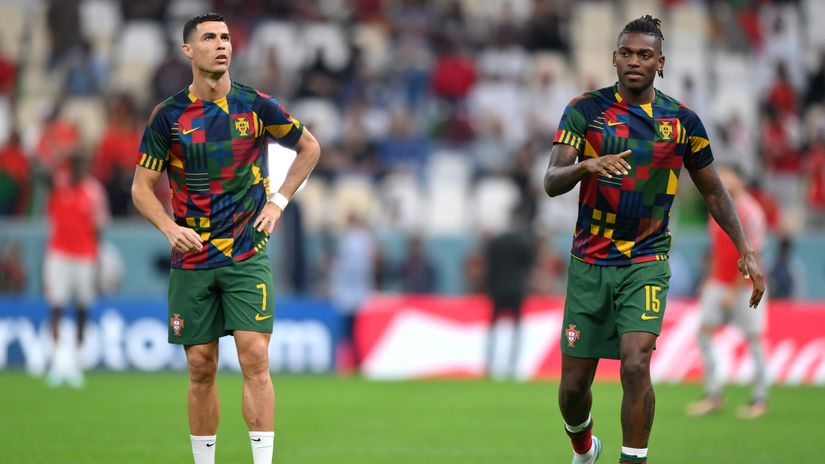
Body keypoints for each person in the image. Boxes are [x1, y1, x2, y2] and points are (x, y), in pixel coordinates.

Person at [543, 16, 764, 464]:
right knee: (572, 390)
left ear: (660, 63)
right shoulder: (584, 110)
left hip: (646, 260)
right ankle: (584, 446)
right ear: (614, 58)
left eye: (645, 55)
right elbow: (551, 180)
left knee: (636, 362)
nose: (634, 61)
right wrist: (585, 166)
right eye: (626, 53)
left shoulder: (683, 122)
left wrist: (745, 248)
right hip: (589, 262)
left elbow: (714, 191)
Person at [131, 13, 320, 464]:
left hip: (245, 252)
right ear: (188, 50)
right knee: (200, 365)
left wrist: (278, 202)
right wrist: (169, 228)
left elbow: (310, 147)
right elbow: (141, 188)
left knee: (255, 356)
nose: (221, 44)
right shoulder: (168, 116)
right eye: (209, 38)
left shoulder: (256, 106)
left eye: (226, 37)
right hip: (193, 257)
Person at [686, 164, 769, 419]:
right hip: (718, 284)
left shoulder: (751, 210)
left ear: (739, 178)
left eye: (726, 174)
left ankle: (760, 399)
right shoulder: (717, 208)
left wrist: (736, 289)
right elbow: (716, 251)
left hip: (744, 287)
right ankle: (713, 395)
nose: (721, 178)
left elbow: (755, 254)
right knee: (704, 335)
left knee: (754, 339)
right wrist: (709, 281)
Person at [44, 153, 109, 388]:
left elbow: (100, 226)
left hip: (85, 256)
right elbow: (43, 176)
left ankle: (77, 361)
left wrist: (96, 258)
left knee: (82, 307)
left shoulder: (94, 191)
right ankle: (57, 361)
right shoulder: (59, 184)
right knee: (56, 305)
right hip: (59, 254)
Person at [482, 207, 535, 379]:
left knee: (493, 326)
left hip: (498, 289)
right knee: (516, 327)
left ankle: (489, 365)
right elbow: (528, 265)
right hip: (515, 289)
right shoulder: (522, 242)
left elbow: (489, 267)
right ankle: (513, 366)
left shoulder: (495, 242)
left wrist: (490, 288)